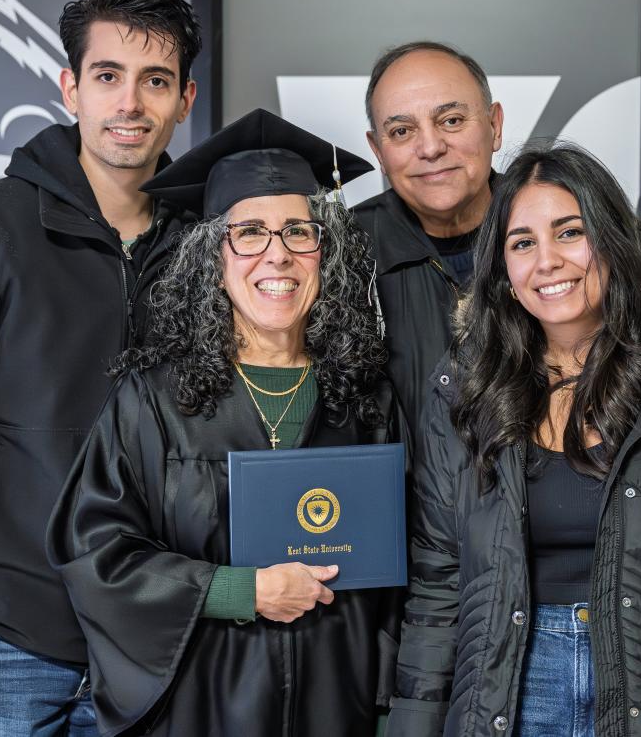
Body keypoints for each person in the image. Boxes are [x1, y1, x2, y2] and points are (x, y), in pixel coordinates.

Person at [386, 142, 641, 736]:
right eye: (522, 242)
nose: (547, 261)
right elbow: (439, 589)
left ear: (611, 241)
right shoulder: (466, 391)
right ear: (503, 269)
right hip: (508, 703)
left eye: (570, 232)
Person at [0, 0, 201, 735]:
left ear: (184, 100)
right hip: (6, 643)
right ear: (71, 88)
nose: (130, 103)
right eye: (108, 76)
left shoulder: (210, 242)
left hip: (154, 646)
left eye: (155, 81)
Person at [46, 109, 405, 737]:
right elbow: (96, 553)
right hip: (201, 707)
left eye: (300, 231)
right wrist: (238, 592)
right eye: (250, 233)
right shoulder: (155, 401)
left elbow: (407, 576)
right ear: (213, 253)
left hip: (337, 706)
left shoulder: (365, 398)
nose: (279, 255)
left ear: (328, 250)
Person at [353, 41, 504, 432]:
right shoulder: (344, 254)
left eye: (451, 120)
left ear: (495, 126)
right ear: (378, 151)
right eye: (402, 131)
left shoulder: (566, 239)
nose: (431, 148)